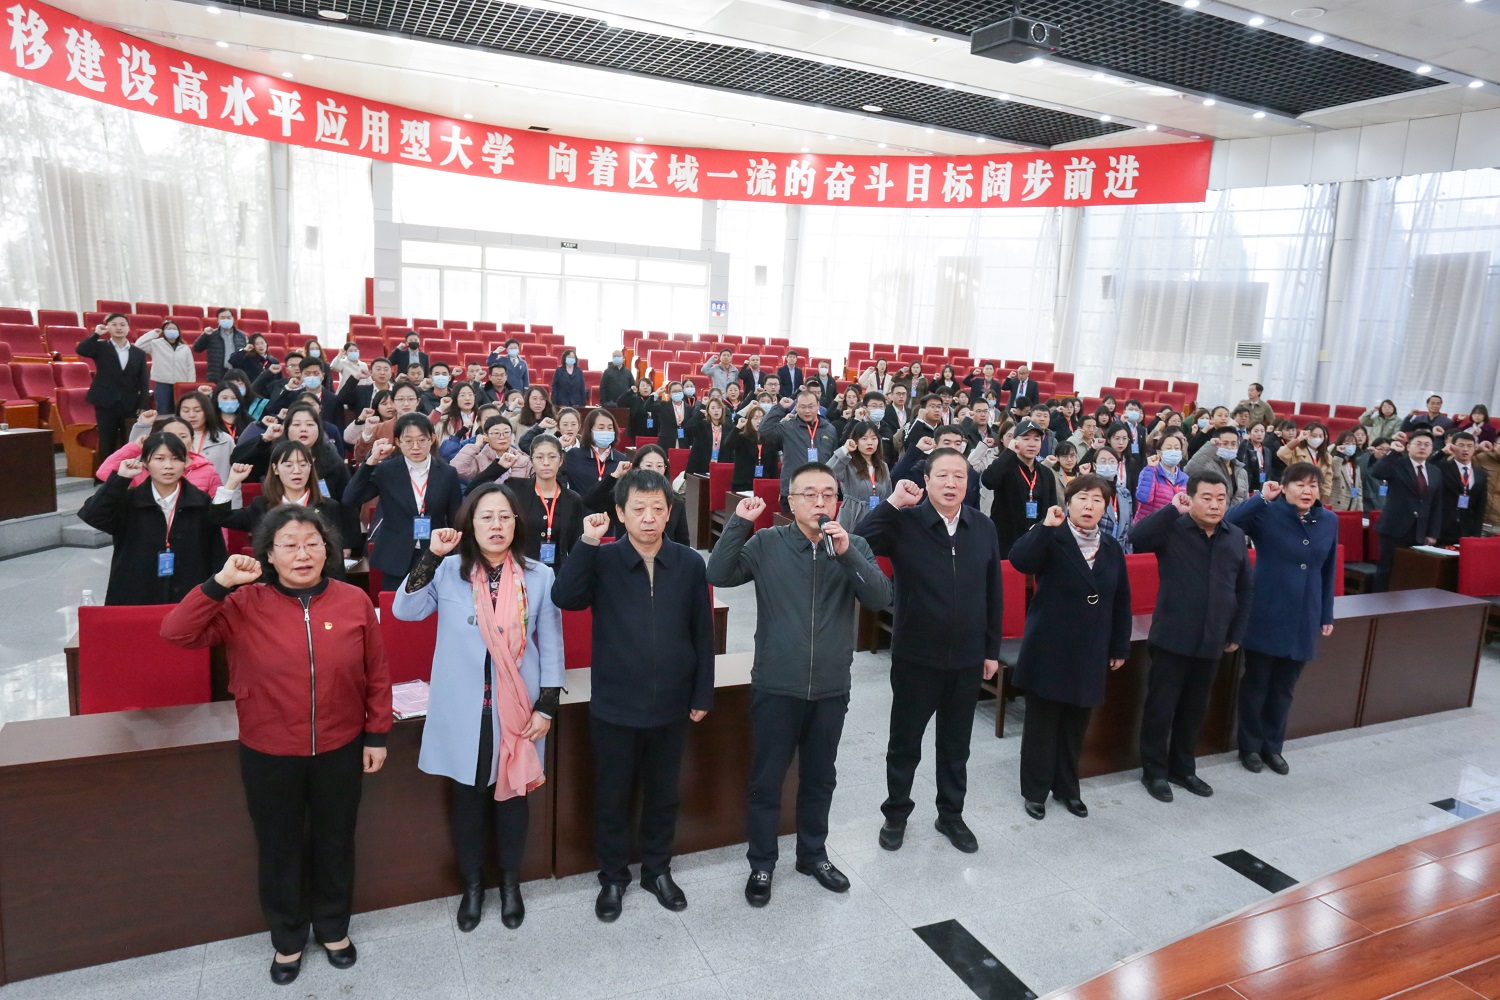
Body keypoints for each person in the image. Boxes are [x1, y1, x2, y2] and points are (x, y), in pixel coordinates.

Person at [160, 506, 390, 984]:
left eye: (312, 543)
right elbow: (177, 632)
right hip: (268, 749)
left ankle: (333, 929)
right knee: (279, 846)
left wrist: (376, 734)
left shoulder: (352, 600)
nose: (302, 554)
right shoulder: (243, 603)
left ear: (327, 550)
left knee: (335, 841)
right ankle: (287, 939)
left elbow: (377, 673)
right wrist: (220, 583)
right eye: (289, 544)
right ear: (268, 553)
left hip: (340, 746)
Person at [706, 466, 890, 906]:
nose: (820, 502)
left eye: (828, 494)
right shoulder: (768, 543)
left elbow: (881, 598)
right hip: (777, 684)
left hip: (830, 686)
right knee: (767, 779)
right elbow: (719, 573)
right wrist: (740, 523)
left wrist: (848, 554)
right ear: (790, 502)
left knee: (820, 778)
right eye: (809, 494)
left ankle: (813, 855)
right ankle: (762, 863)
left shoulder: (854, 544)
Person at [391, 483, 562, 933]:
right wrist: (430, 555)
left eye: (505, 517)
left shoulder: (539, 576)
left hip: (518, 710)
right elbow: (405, 611)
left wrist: (546, 705)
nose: (496, 525)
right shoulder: (449, 570)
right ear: (470, 524)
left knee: (513, 799)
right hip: (462, 709)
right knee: (467, 799)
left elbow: (552, 643)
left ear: (517, 524)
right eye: (486, 517)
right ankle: (472, 887)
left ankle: (510, 885)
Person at [550, 471, 715, 921]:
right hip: (615, 704)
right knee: (613, 795)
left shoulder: (688, 563)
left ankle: (657, 870)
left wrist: (702, 692)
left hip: (672, 703)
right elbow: (565, 597)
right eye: (638, 509)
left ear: (669, 512)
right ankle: (613, 877)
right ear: (620, 513)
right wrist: (587, 542)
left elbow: (703, 633)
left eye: (658, 508)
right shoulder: (603, 559)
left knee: (664, 794)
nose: (648, 517)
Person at [856, 451, 1003, 853]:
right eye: (943, 476)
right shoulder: (906, 523)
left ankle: (951, 814)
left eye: (960, 476)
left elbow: (993, 590)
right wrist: (893, 502)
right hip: (916, 656)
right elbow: (859, 541)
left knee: (956, 745)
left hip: (968, 658)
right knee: (905, 742)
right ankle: (896, 814)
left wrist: (991, 649)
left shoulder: (982, 527)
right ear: (927, 480)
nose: (951, 483)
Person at [1008, 477, 1132, 819]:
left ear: (1106, 507)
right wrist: (1045, 527)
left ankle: (1067, 788)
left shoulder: (1111, 548)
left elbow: (1121, 601)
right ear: (1069, 502)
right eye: (1083, 498)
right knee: (1042, 724)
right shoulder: (1052, 536)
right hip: (1050, 645)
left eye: (1097, 500)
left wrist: (1119, 647)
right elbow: (1020, 560)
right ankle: (1035, 791)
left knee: (1076, 724)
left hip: (1090, 648)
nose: (1089, 505)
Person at [1130, 472, 1251, 803]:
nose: (1214, 505)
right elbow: (1137, 537)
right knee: (1161, 708)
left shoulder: (1235, 536)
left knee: (1194, 710)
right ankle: (1154, 771)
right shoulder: (1173, 529)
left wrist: (1236, 632)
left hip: (1213, 639)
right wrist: (1172, 509)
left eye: (1221, 499)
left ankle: (1183, 768)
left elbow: (1244, 588)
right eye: (1206, 498)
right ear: (1191, 498)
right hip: (1173, 637)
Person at [1225, 467, 1338, 774]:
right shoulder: (1267, 513)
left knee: (1284, 687)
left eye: (1313, 485)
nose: (1307, 491)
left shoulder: (1328, 520)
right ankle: (1249, 747)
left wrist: (1326, 613)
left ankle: (1272, 747)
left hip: (1305, 615)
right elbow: (1229, 522)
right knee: (1257, 683)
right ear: (1284, 488)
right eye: (1299, 484)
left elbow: (1328, 569)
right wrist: (1261, 498)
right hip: (1267, 610)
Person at [79, 431, 228, 605]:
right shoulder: (129, 501)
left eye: (176, 459)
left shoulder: (200, 501)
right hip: (135, 595)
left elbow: (216, 553)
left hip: (188, 597)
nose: (168, 466)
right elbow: (93, 515)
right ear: (145, 462)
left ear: (185, 463)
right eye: (159, 459)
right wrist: (121, 479)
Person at [343, 412, 464, 590]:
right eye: (408, 441)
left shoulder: (447, 473)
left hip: (435, 553)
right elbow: (350, 498)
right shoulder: (387, 470)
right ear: (398, 442)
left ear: (432, 439)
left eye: (421, 440)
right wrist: (371, 461)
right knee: (396, 605)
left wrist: (458, 556)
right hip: (396, 555)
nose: (415, 447)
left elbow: (456, 518)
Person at [1370, 430, 1443, 591]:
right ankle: (1378, 601)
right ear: (1408, 446)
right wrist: (1393, 451)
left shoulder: (1435, 471)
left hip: (1419, 530)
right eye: (1418, 444)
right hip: (1394, 528)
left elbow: (1436, 504)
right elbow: (1377, 472)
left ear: (1432, 449)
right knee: (1386, 570)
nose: (1422, 447)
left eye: (1427, 445)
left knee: (1411, 571)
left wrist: (1432, 533)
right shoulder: (1397, 464)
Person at [500, 436, 585, 570]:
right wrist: (499, 468)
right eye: (539, 457)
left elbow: (575, 545)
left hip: (556, 572)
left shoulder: (572, 499)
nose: (546, 463)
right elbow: (475, 491)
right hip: (519, 569)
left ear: (560, 461)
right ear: (531, 460)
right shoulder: (515, 489)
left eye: (552, 457)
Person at [981, 419, 1059, 557]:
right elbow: (988, 480)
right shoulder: (1005, 466)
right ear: (1015, 441)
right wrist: (1009, 452)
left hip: (1036, 540)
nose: (1032, 444)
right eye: (1026, 438)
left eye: (1036, 439)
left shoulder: (1046, 473)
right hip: (1006, 541)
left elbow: (1051, 507)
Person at [77, 315, 150, 460]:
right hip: (105, 402)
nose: (118, 328)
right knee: (107, 440)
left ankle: (126, 470)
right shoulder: (100, 347)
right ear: (107, 327)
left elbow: (143, 381)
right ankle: (106, 472)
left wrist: (143, 404)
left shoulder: (138, 353)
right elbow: (81, 349)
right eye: (114, 324)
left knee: (128, 440)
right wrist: (96, 334)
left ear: (128, 328)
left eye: (122, 325)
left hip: (129, 402)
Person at [96, 415, 225, 496]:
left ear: (191, 440)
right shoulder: (146, 468)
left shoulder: (207, 470)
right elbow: (103, 473)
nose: (176, 441)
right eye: (170, 435)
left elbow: (217, 511)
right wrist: (134, 448)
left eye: (183, 436)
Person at [763, 389, 839, 505]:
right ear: (796, 407)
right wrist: (780, 408)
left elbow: (834, 461)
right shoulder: (787, 427)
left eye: (811, 406)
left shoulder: (829, 429)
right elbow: (764, 430)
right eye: (802, 407)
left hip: (821, 492)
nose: (807, 411)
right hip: (794, 492)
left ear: (818, 406)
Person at [826, 420, 891, 531]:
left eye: (874, 438)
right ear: (855, 441)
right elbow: (827, 472)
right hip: (852, 517)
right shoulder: (847, 463)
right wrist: (845, 449)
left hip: (876, 519)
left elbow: (888, 495)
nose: (870, 443)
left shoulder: (883, 466)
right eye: (864, 439)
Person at [563, 408, 627, 502]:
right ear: (590, 430)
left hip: (609, 510)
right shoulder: (574, 456)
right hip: (580, 509)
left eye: (610, 428)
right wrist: (559, 446)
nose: (606, 431)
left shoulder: (621, 459)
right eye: (601, 428)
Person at [1437, 431, 1489, 543]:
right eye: (1461, 445)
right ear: (1453, 447)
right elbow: (1427, 465)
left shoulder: (1481, 474)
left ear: (1474, 448)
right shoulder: (1443, 468)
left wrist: (1476, 534)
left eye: (1469, 446)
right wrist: (1442, 452)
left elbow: (1480, 507)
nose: (1465, 449)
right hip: (1443, 526)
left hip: (1466, 528)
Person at [134, 320, 197, 412]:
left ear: (178, 332)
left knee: (180, 410)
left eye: (174, 329)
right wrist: (154, 333)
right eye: (168, 329)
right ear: (163, 331)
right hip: (162, 384)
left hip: (180, 384)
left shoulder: (184, 347)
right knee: (163, 411)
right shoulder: (156, 344)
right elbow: (138, 345)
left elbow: (190, 367)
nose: (172, 330)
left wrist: (190, 385)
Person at [452, 416, 531, 483]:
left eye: (506, 432)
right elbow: (457, 470)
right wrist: (477, 445)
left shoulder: (523, 459)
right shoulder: (479, 459)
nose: (502, 437)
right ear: (486, 436)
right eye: (496, 433)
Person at [1184, 425, 1250, 506]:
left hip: (1237, 513)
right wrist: (1210, 446)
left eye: (1233, 444)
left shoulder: (1241, 471)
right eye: (1225, 443)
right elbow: (1189, 470)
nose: (1229, 447)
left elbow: (1246, 501)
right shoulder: (1207, 466)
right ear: (1216, 443)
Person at [1134, 432, 1189, 520]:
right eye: (1169, 448)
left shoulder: (1185, 479)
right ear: (1159, 453)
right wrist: (1150, 468)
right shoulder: (1149, 472)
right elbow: (1143, 498)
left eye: (1177, 448)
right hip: (1150, 525)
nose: (1173, 451)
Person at [729, 404, 777, 491]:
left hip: (763, 484)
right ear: (749, 421)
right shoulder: (742, 438)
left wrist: (773, 486)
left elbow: (774, 468)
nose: (759, 421)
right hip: (743, 485)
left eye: (762, 418)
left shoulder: (770, 441)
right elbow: (728, 446)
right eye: (755, 418)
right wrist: (738, 427)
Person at [684, 397, 736, 475]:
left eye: (719, 408)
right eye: (713, 408)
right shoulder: (702, 424)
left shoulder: (728, 426)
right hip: (701, 466)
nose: (716, 410)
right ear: (708, 410)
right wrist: (700, 414)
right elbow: (688, 428)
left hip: (720, 466)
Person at [193, 308, 248, 383]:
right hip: (217, 375)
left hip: (237, 374)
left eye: (228, 317)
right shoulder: (211, 335)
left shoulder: (241, 335)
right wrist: (205, 335)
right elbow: (196, 349)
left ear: (233, 319)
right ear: (218, 320)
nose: (226, 320)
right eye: (223, 318)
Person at [1327, 431, 1365, 512]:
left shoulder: (1356, 466)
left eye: (1354, 444)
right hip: (1336, 504)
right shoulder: (1334, 460)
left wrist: (1359, 510)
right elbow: (1335, 474)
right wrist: (1339, 454)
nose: (1351, 446)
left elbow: (1359, 490)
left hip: (1352, 505)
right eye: (1347, 443)